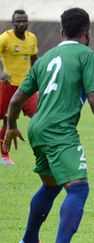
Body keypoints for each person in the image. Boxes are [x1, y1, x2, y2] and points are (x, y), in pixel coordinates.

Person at [2, 8, 94, 242]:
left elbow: (17, 97)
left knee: (51, 187)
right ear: (87, 34)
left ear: (61, 32)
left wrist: (11, 125)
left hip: (37, 128)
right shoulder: (85, 54)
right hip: (59, 130)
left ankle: (28, 239)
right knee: (78, 189)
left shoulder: (45, 58)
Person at [0, 9, 38, 165]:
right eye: (18, 21)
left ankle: (44, 150)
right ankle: (4, 156)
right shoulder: (4, 38)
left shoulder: (32, 38)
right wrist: (1, 72)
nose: (22, 24)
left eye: (24, 21)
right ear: (12, 23)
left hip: (26, 86)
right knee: (8, 119)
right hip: (8, 85)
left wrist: (37, 78)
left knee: (39, 113)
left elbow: (34, 60)